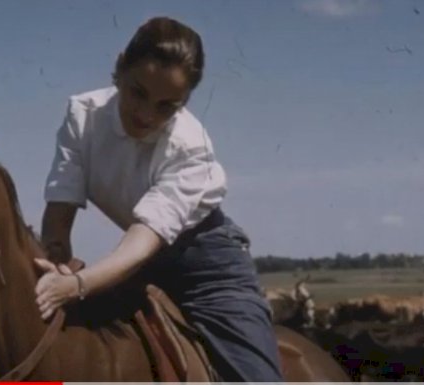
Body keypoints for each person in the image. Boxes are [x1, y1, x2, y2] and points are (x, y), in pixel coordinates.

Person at [33, 16, 284, 381]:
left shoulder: (190, 145)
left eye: (167, 105)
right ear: (119, 69)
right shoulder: (81, 115)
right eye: (138, 92)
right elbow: (59, 206)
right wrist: (55, 263)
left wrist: (76, 286)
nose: (147, 114)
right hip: (136, 263)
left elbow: (141, 241)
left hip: (206, 267)